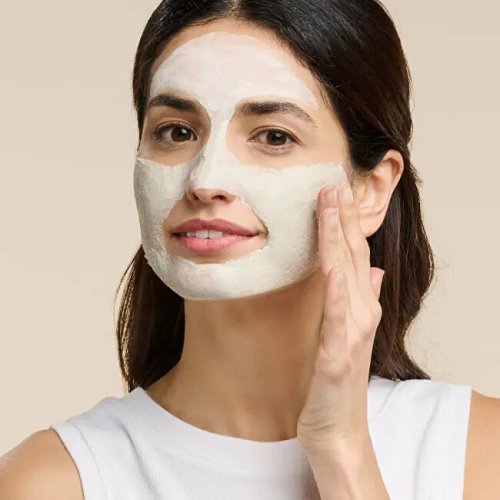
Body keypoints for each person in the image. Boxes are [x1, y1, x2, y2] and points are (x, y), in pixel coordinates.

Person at [1, 1, 499, 498]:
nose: (205, 180)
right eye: (176, 132)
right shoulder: (49, 482)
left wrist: (342, 450)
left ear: (371, 190)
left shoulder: (477, 454)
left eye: (274, 136)